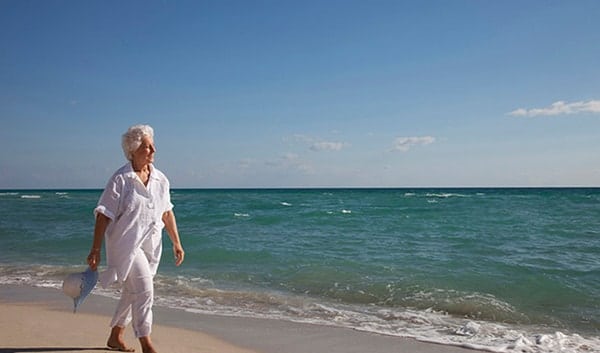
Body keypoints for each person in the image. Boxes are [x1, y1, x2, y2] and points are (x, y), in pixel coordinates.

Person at [87, 124, 185, 353]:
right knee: (144, 291)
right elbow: (103, 214)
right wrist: (96, 249)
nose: (153, 150)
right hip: (125, 245)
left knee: (133, 292)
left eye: (152, 145)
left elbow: (167, 212)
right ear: (133, 151)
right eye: (147, 146)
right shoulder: (121, 179)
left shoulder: (160, 179)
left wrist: (176, 242)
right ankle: (146, 342)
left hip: (151, 245)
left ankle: (115, 336)